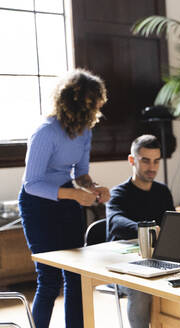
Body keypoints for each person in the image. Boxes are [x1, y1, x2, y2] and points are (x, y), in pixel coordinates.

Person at [18, 69, 110, 328]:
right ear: (78, 103)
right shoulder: (46, 132)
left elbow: (80, 173)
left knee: (76, 276)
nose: (100, 107)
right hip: (38, 205)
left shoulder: (85, 130)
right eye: (96, 101)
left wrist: (93, 188)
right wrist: (74, 194)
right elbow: (32, 184)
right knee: (49, 279)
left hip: (67, 201)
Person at [106, 134, 174, 328]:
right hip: (120, 268)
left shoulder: (162, 192)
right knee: (142, 288)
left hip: (156, 262)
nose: (152, 167)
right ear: (132, 160)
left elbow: (172, 225)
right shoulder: (118, 193)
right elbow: (115, 222)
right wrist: (147, 230)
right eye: (145, 161)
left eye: (156, 161)